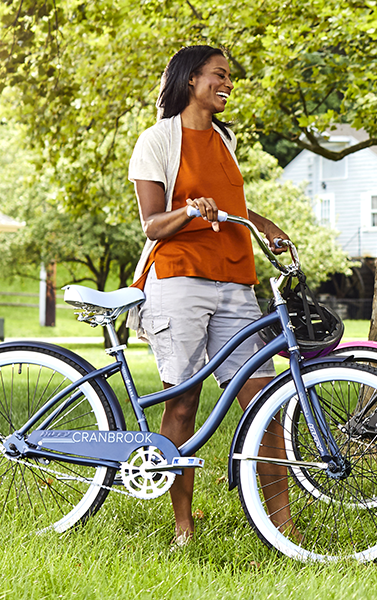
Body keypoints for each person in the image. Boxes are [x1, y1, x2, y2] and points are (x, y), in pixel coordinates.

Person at [127, 45, 294, 545]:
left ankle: (285, 526)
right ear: (190, 79)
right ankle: (183, 527)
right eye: (219, 75)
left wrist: (261, 223)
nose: (227, 83)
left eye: (229, 76)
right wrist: (189, 211)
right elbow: (154, 224)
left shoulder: (226, 137)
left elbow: (230, 204)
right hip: (179, 280)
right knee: (183, 403)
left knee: (263, 401)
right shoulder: (157, 141)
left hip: (236, 281)